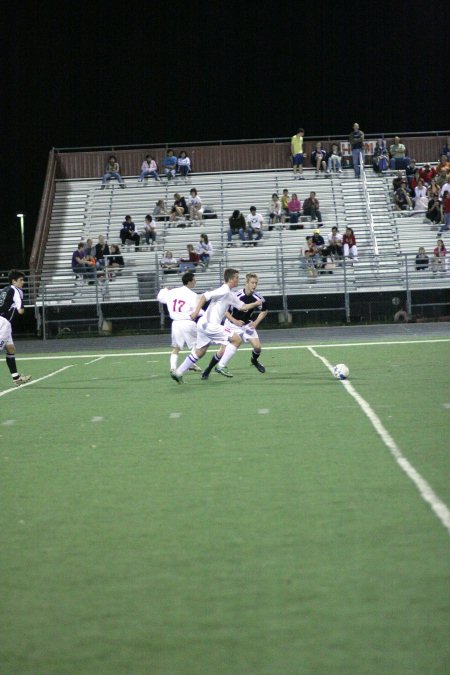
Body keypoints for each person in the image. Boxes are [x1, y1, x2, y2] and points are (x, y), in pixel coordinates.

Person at [170, 268, 262, 383]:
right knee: (237, 340)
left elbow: (242, 306)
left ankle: (178, 372)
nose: (239, 280)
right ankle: (221, 366)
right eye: (237, 277)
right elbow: (204, 297)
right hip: (210, 325)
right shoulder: (223, 290)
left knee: (200, 352)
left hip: (203, 325)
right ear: (231, 279)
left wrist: (256, 303)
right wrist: (195, 312)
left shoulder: (229, 294)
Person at [201, 273, 268, 379]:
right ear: (246, 283)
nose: (254, 285)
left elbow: (264, 311)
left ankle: (254, 360)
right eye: (252, 283)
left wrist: (255, 322)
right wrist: (235, 321)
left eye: (256, 283)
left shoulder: (258, 297)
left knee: (257, 347)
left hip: (246, 326)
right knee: (222, 351)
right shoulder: (236, 295)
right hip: (232, 324)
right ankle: (208, 370)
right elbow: (225, 312)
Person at [157, 271, 202, 373]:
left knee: (176, 347)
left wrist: (164, 289)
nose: (196, 281)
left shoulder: (172, 292)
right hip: (187, 322)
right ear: (190, 281)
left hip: (176, 323)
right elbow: (197, 311)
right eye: (194, 280)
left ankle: (173, 367)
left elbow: (160, 298)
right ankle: (190, 363)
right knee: (199, 345)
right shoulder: (192, 295)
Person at [0, 270, 31, 386]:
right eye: (21, 280)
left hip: (4, 322)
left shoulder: (5, 289)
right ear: (14, 281)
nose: (23, 282)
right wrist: (20, 306)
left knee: (11, 349)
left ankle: (16, 378)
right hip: (3, 323)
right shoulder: (16, 290)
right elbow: (21, 310)